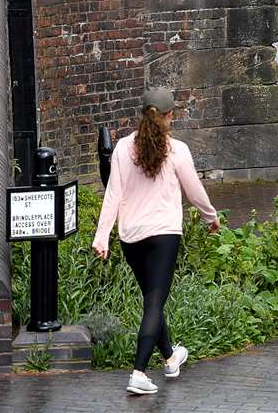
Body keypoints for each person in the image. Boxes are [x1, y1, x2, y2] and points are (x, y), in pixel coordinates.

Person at [93, 86, 221, 396]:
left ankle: (170, 357)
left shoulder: (123, 148)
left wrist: (102, 236)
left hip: (131, 236)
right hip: (164, 234)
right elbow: (194, 191)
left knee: (153, 299)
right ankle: (138, 372)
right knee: (154, 301)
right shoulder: (177, 150)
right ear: (169, 116)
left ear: (142, 114)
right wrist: (210, 217)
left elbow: (113, 194)